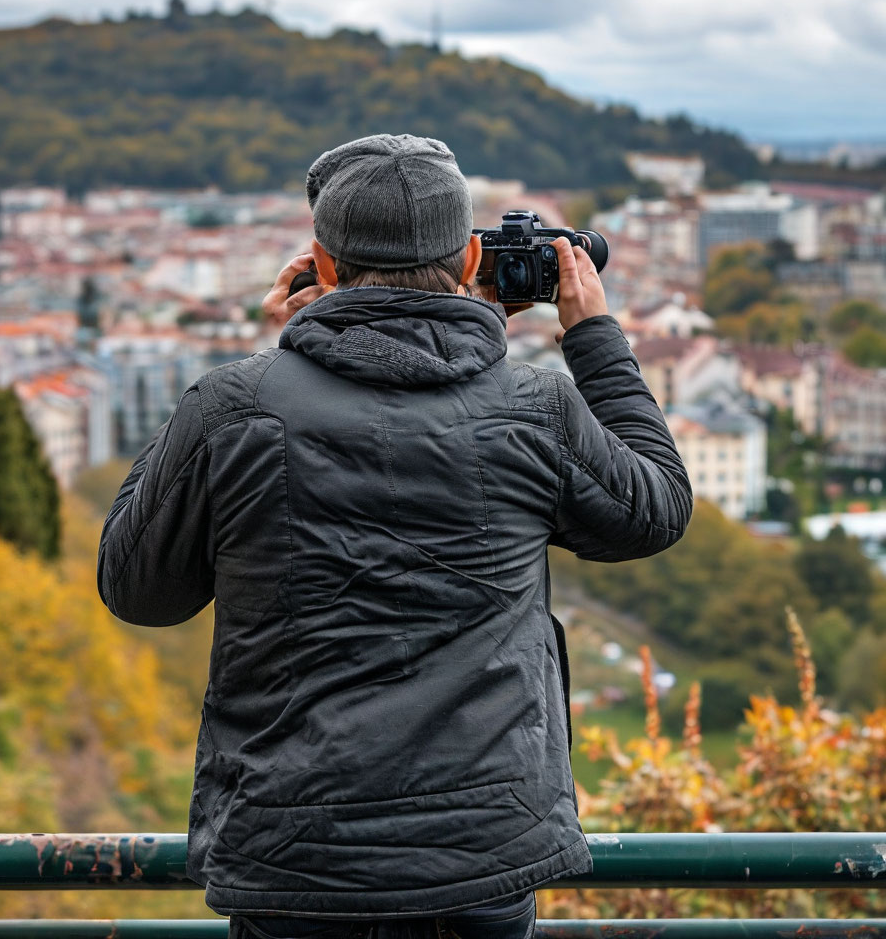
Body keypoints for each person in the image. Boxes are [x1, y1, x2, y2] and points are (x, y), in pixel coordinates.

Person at [97, 134, 693, 939]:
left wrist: (251, 369)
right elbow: (656, 507)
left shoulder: (236, 408)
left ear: (323, 265)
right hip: (480, 855)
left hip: (294, 858)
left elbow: (137, 587)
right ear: (473, 254)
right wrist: (592, 335)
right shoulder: (535, 409)